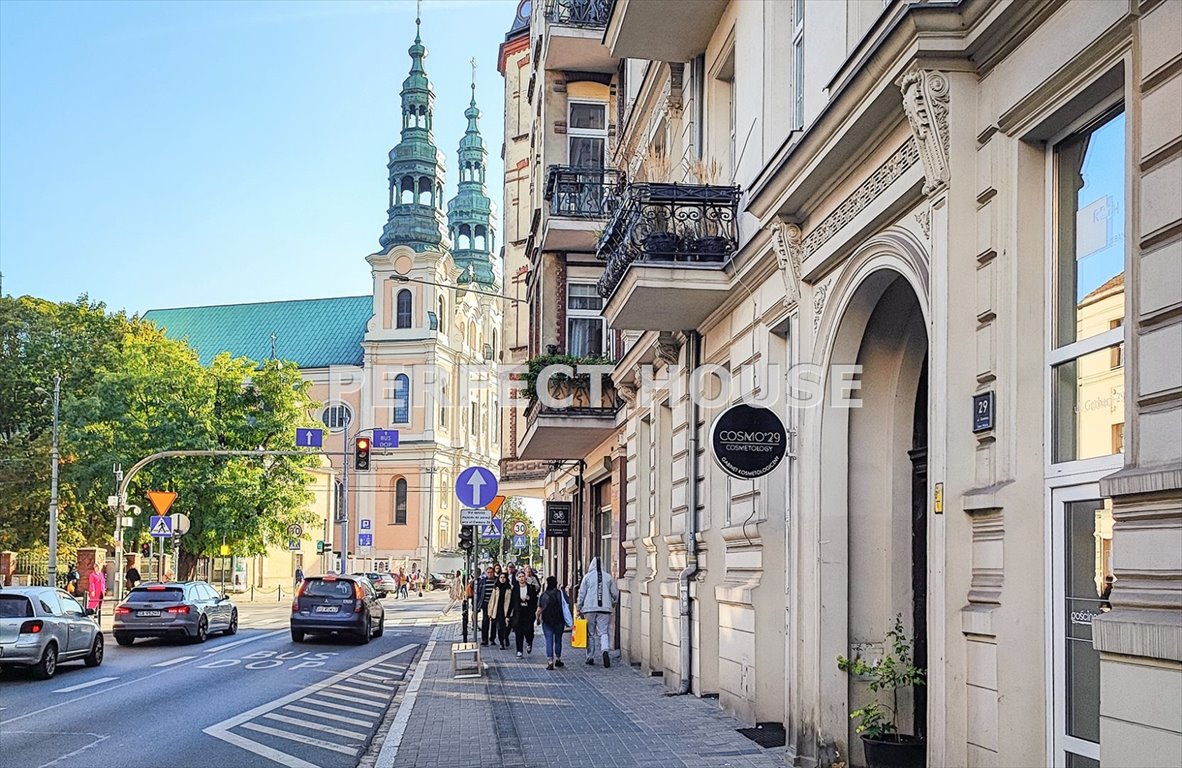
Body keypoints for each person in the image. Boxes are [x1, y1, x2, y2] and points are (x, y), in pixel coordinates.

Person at [577, 556, 619, 667]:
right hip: (605, 609)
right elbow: (615, 593)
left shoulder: (587, 577)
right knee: (603, 632)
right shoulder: (608, 577)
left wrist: (578, 607)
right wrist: (614, 601)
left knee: (590, 634)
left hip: (589, 609)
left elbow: (581, 594)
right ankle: (605, 650)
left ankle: (590, 656)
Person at [536, 575, 570, 670]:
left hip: (547, 621)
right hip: (559, 620)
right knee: (558, 639)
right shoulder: (560, 594)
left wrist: (538, 619)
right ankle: (558, 659)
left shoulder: (544, 595)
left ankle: (550, 661)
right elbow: (568, 601)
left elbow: (539, 609)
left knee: (548, 640)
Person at [506, 570, 539, 658]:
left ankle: (529, 643)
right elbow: (511, 603)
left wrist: (530, 601)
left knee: (528, 631)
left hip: (528, 613)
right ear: (517, 578)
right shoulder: (515, 589)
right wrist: (508, 615)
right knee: (518, 632)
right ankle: (519, 650)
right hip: (518, 614)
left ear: (525, 578)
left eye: (522, 576)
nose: (521, 578)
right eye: (519, 577)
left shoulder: (531, 588)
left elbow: (535, 601)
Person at [488, 572, 512, 650]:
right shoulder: (496, 588)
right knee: (500, 627)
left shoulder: (509, 588)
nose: (502, 579)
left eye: (504, 578)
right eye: (501, 577)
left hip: (507, 609)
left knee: (507, 627)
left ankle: (506, 637)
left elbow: (511, 601)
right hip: (497, 610)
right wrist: (490, 612)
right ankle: (502, 642)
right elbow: (492, 600)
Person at [475, 567, 495, 645]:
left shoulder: (496, 581)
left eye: (491, 572)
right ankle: (484, 639)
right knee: (485, 621)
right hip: (485, 603)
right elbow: (479, 593)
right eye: (488, 572)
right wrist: (478, 604)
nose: (490, 574)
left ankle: (492, 639)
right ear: (486, 573)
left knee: (494, 622)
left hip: (494, 604)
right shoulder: (483, 581)